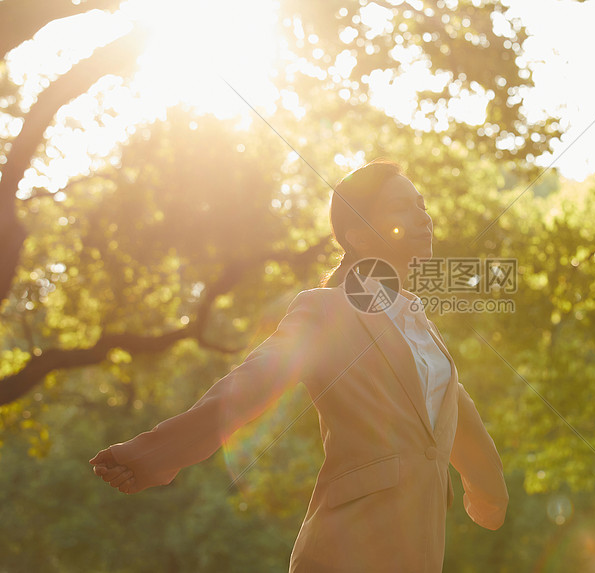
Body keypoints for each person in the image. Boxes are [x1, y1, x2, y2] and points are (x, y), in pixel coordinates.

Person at [89, 159, 508, 572]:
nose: (423, 217)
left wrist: (491, 497)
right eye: (402, 208)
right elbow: (249, 385)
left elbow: (457, 421)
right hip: (344, 550)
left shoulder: (426, 332)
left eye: (421, 205)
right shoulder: (327, 311)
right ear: (359, 236)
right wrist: (154, 455)